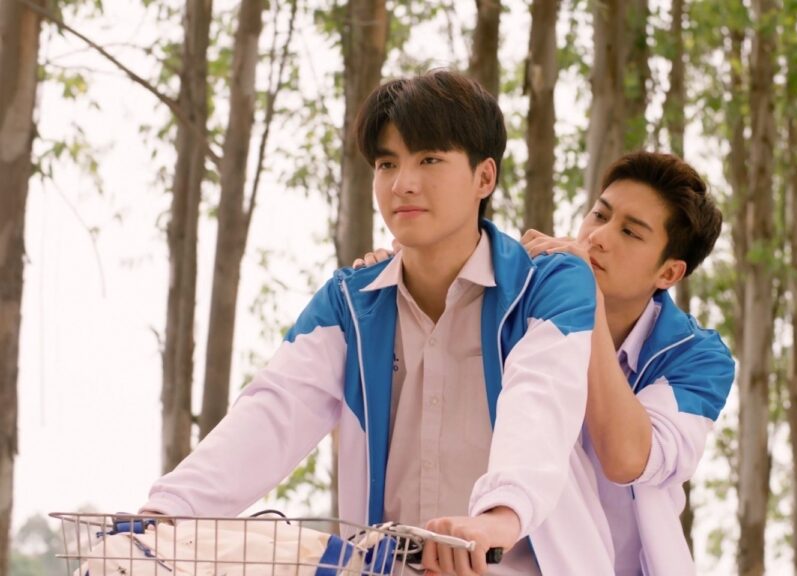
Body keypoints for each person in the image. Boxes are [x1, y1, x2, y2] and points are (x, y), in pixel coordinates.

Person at [141, 70, 616, 576]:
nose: (402, 183)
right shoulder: (350, 302)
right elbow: (274, 409)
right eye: (387, 163)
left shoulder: (548, 285)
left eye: (429, 159)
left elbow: (541, 399)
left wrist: (499, 516)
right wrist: (164, 512)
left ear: (484, 177)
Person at [358, 151, 735, 575]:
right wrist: (406, 274)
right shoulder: (522, 293)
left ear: (668, 273)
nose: (599, 237)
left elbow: (626, 457)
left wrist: (582, 300)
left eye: (630, 232)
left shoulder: (698, 358)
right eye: (599, 215)